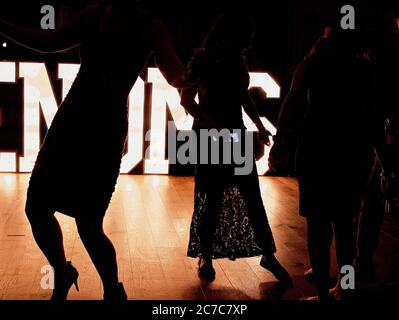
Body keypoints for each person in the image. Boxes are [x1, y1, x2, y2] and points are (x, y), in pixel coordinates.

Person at [0, 0, 191, 300]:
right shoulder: (96, 15)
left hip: (103, 132)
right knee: (37, 208)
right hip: (71, 123)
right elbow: (49, 42)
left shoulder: (149, 28)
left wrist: (195, 76)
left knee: (88, 225)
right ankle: (64, 274)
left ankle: (112, 291)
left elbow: (176, 75)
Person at [180, 13, 292, 285]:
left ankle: (266, 254)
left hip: (232, 133)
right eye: (247, 35)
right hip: (211, 135)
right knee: (212, 197)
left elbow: (241, 96)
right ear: (235, 35)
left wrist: (257, 125)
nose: (250, 40)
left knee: (250, 195)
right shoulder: (204, 59)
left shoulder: (234, 60)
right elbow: (186, 100)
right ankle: (206, 255)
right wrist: (214, 127)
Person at [269, 19, 377, 299]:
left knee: (317, 225)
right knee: (346, 223)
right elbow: (373, 114)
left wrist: (280, 143)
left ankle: (321, 293)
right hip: (354, 145)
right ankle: (346, 287)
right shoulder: (364, 69)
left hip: (317, 142)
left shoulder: (314, 63)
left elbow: (293, 101)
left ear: (328, 35)